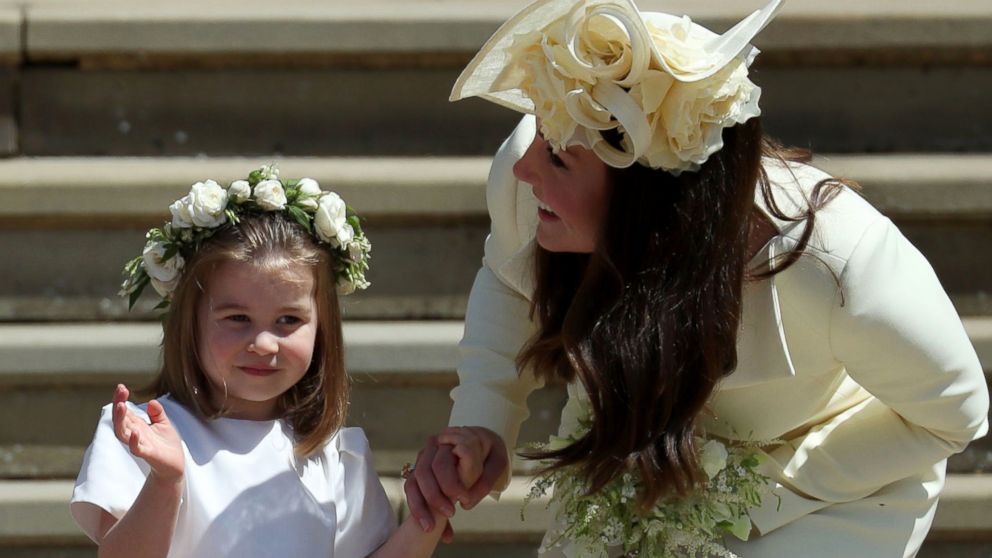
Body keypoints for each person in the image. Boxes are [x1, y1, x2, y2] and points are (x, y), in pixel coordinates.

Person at [405, 0, 990, 555]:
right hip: (639, 445)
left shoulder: (838, 265)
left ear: (649, 197)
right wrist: (483, 421)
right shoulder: (529, 180)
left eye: (559, 157)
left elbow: (955, 416)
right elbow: (511, 282)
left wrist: (753, 492)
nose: (527, 167)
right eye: (540, 134)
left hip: (830, 490)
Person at [70, 167, 480, 558]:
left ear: (322, 327)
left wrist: (433, 509)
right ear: (188, 321)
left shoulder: (336, 454)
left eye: (288, 320)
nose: (264, 344)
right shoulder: (145, 436)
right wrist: (166, 481)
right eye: (237, 319)